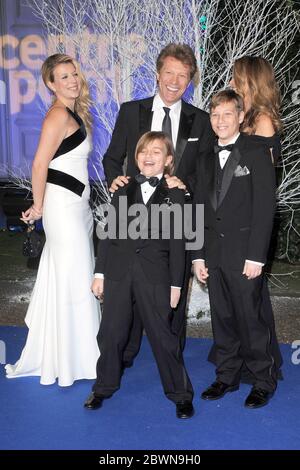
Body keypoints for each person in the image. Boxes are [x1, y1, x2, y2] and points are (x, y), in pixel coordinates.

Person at [102, 43, 215, 365]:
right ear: (157, 75)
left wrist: (185, 187)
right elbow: (112, 158)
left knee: (175, 285)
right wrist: (115, 181)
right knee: (129, 288)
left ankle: (171, 355)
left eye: (183, 76)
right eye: (169, 73)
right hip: (134, 216)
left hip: (178, 216)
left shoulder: (201, 121)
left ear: (190, 80)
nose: (175, 81)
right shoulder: (130, 111)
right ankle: (124, 354)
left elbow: (203, 174)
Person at [5, 54, 100, 386]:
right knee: (74, 278)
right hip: (63, 211)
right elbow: (39, 164)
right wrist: (40, 207)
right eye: (63, 77)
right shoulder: (57, 116)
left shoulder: (73, 112)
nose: (72, 80)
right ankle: (71, 360)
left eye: (74, 73)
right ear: (50, 83)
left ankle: (74, 354)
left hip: (78, 209)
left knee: (75, 276)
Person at [84, 131, 194, 419]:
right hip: (119, 272)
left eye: (157, 152)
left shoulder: (176, 194)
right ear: (136, 158)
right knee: (110, 333)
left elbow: (179, 244)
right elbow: (108, 235)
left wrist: (175, 284)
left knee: (164, 337)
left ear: (168, 160)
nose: (149, 156)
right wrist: (100, 273)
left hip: (156, 275)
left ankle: (180, 394)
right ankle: (103, 386)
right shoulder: (122, 188)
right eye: (144, 151)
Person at [193, 89, 279, 408]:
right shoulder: (203, 158)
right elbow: (200, 210)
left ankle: (262, 380)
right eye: (215, 115)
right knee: (223, 319)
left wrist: (257, 256)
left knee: (251, 319)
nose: (221, 120)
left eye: (228, 114)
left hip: (246, 255)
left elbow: (265, 208)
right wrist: (198, 254)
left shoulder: (257, 151)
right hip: (214, 255)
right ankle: (226, 376)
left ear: (241, 117)